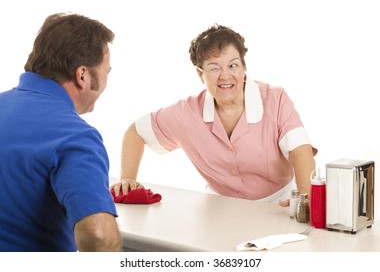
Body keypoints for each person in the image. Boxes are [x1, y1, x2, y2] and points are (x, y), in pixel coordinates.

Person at [112, 24, 317, 205]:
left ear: (244, 67)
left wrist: (306, 199)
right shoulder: (187, 113)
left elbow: (300, 149)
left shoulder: (275, 98)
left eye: (233, 65)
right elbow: (136, 132)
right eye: (213, 68)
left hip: (277, 205)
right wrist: (127, 178)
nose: (225, 76)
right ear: (200, 74)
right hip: (220, 209)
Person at [0, 13, 122, 251]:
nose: (106, 80)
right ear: (83, 75)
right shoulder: (74, 136)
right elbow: (97, 235)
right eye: (106, 72)